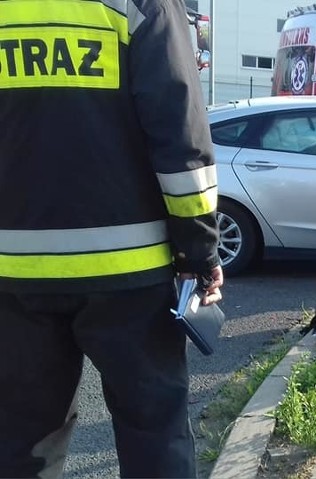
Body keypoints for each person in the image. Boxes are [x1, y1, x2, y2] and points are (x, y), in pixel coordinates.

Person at [0, 1, 222, 477]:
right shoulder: (142, 6)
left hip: (13, 274)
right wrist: (199, 252)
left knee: (21, 446)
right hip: (131, 275)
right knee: (155, 435)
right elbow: (180, 138)